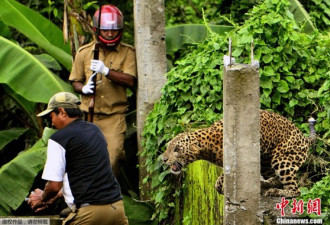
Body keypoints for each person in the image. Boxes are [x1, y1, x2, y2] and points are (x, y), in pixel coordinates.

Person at [28, 92, 128, 225]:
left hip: (90, 214)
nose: (51, 122)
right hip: (117, 210)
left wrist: (41, 199)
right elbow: (87, 175)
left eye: (52, 116)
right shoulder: (95, 130)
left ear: (62, 112)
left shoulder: (59, 139)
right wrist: (57, 195)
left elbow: (53, 185)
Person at [68, 4, 137, 177]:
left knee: (111, 160)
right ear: (97, 29)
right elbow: (75, 81)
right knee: (85, 162)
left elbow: (130, 80)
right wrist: (83, 89)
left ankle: (109, 199)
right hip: (88, 117)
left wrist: (107, 71)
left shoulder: (127, 52)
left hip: (114, 117)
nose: (110, 34)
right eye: (106, 30)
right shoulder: (84, 53)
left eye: (114, 30)